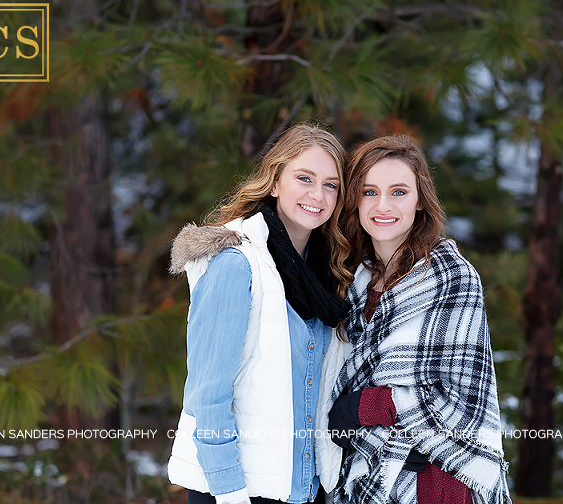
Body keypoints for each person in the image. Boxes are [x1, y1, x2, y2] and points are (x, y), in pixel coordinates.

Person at [167, 123, 352, 504]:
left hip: (302, 489)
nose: (317, 195)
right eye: (304, 178)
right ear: (274, 181)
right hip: (237, 491)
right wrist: (231, 494)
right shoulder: (237, 265)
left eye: (331, 184)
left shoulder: (326, 277)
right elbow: (208, 397)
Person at [322, 135, 511, 504]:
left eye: (398, 192)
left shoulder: (450, 277)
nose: (383, 205)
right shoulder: (353, 279)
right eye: (369, 191)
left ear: (420, 199)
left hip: (438, 479)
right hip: (367, 474)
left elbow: (463, 401)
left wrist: (362, 406)